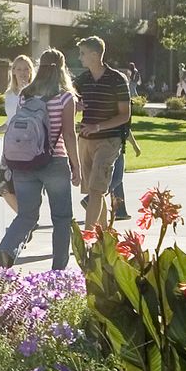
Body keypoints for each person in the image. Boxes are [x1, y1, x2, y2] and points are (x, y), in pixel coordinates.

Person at [0, 48, 81, 271]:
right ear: (62, 68)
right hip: (54, 162)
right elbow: (69, 134)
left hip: (24, 162)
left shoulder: (26, 94)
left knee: (26, 215)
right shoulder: (65, 97)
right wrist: (76, 166)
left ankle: (6, 251)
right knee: (61, 218)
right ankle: (58, 271)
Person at [74, 36, 131, 232]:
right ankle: (105, 234)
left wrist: (98, 126)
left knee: (97, 190)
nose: (79, 58)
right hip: (85, 140)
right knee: (94, 190)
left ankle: (88, 237)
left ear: (95, 55)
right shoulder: (82, 80)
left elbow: (125, 115)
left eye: (83, 53)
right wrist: (75, 104)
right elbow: (68, 100)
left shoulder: (117, 79)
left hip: (109, 140)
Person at [0, 55, 36, 216]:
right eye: (19, 69)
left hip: (29, 147)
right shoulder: (9, 95)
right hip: (10, 147)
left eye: (26, 69)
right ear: (13, 72)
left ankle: (26, 219)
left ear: (31, 71)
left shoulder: (36, 93)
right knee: (5, 187)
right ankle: (24, 218)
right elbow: (10, 122)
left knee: (26, 187)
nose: (23, 73)